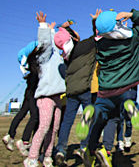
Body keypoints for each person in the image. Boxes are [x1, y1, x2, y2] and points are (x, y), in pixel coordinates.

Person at [77, 9, 139, 167]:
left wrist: (96, 21)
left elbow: (97, 32)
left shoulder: (100, 44)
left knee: (102, 119)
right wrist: (130, 15)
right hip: (126, 88)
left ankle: (91, 150)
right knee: (119, 113)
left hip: (105, 92)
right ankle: (131, 107)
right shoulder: (133, 38)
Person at [54, 10, 99, 165]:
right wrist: (95, 21)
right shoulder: (87, 45)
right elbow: (97, 35)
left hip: (71, 90)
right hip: (85, 89)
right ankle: (83, 147)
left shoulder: (67, 55)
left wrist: (65, 28)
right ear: (73, 38)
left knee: (67, 121)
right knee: (87, 118)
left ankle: (60, 149)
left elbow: (64, 38)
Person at [24, 12, 66, 167]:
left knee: (54, 129)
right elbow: (46, 43)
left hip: (57, 97)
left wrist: (52, 31)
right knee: (44, 127)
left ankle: (47, 156)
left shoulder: (56, 56)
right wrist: (43, 26)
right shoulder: (44, 58)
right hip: (46, 97)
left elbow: (53, 44)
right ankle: (32, 158)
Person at [3, 41, 40, 157]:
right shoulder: (36, 64)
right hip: (33, 93)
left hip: (28, 92)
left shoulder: (30, 63)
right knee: (35, 117)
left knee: (22, 112)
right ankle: (25, 141)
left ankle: (10, 135)